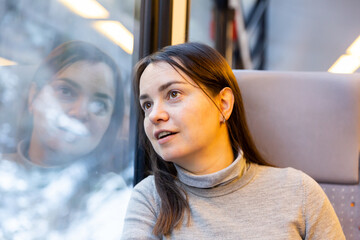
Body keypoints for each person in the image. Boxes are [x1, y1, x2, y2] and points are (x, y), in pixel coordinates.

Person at [121, 42, 345, 239]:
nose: (154, 115)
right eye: (147, 105)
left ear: (223, 104)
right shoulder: (149, 200)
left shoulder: (299, 191)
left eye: (173, 94)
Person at [0, 40, 130, 238]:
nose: (79, 112)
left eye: (99, 105)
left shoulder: (109, 197)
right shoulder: (6, 173)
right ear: (33, 97)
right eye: (66, 91)